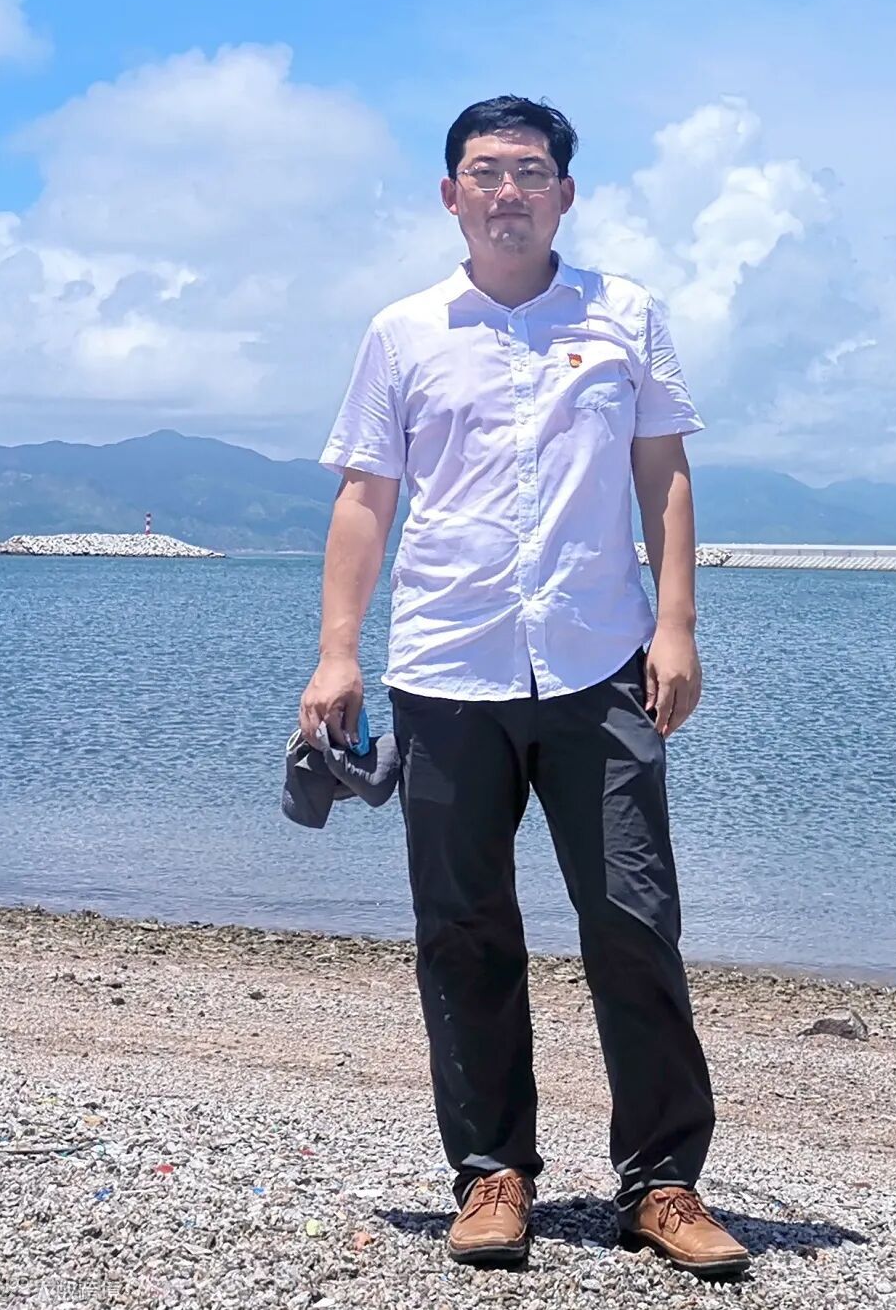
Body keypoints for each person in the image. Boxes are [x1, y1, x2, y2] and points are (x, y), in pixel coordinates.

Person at [300, 95, 750, 1280]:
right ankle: (491, 1173)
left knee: (634, 917)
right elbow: (366, 496)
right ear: (451, 193)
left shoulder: (623, 314)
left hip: (600, 661)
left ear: (565, 192)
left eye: (532, 170)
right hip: (446, 665)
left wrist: (676, 626)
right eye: (487, 171)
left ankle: (662, 1180)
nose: (509, 190)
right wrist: (338, 650)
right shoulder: (403, 330)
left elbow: (663, 473)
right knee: (463, 929)